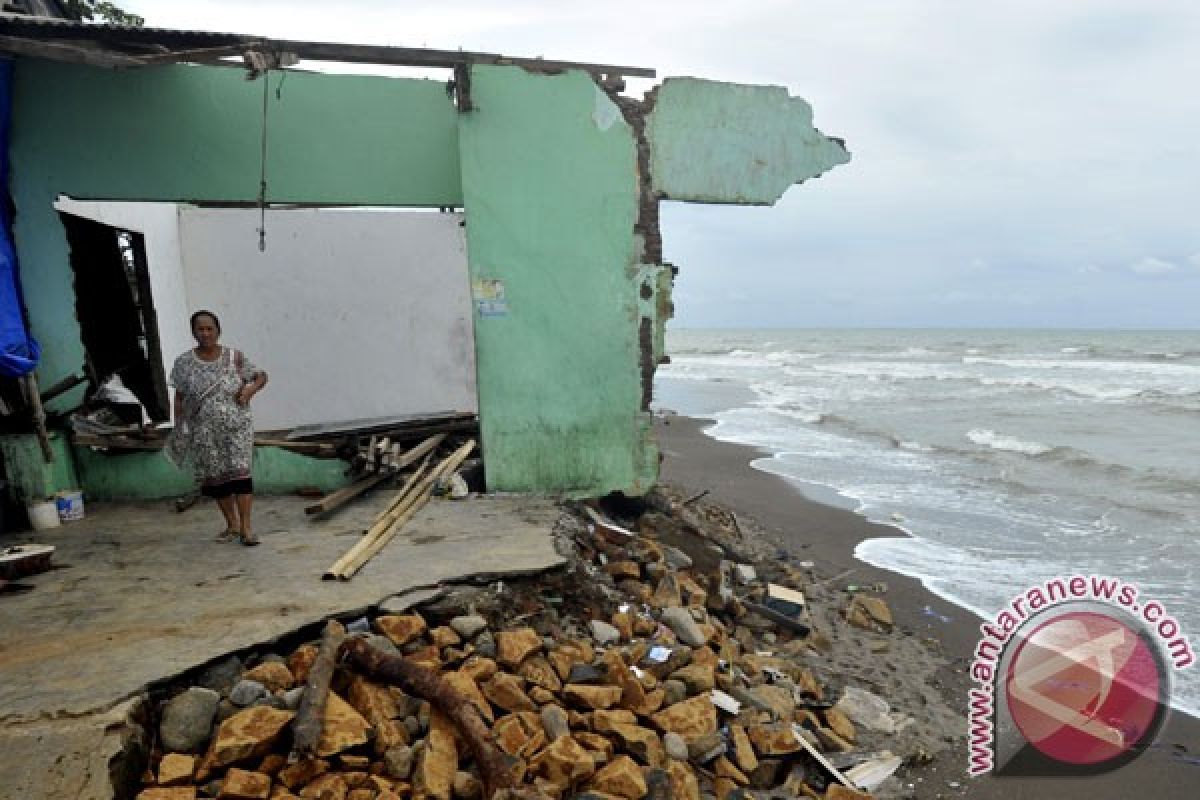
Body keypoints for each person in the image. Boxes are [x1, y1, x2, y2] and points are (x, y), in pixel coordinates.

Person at [167, 310, 268, 545]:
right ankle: (231, 525)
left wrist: (250, 390)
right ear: (193, 332)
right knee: (217, 479)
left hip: (237, 428)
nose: (205, 333)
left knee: (241, 475)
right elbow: (179, 397)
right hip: (203, 432)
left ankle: (246, 528)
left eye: (209, 328)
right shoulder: (183, 363)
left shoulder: (235, 358)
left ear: (218, 331)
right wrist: (179, 425)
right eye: (200, 329)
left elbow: (261, 376)